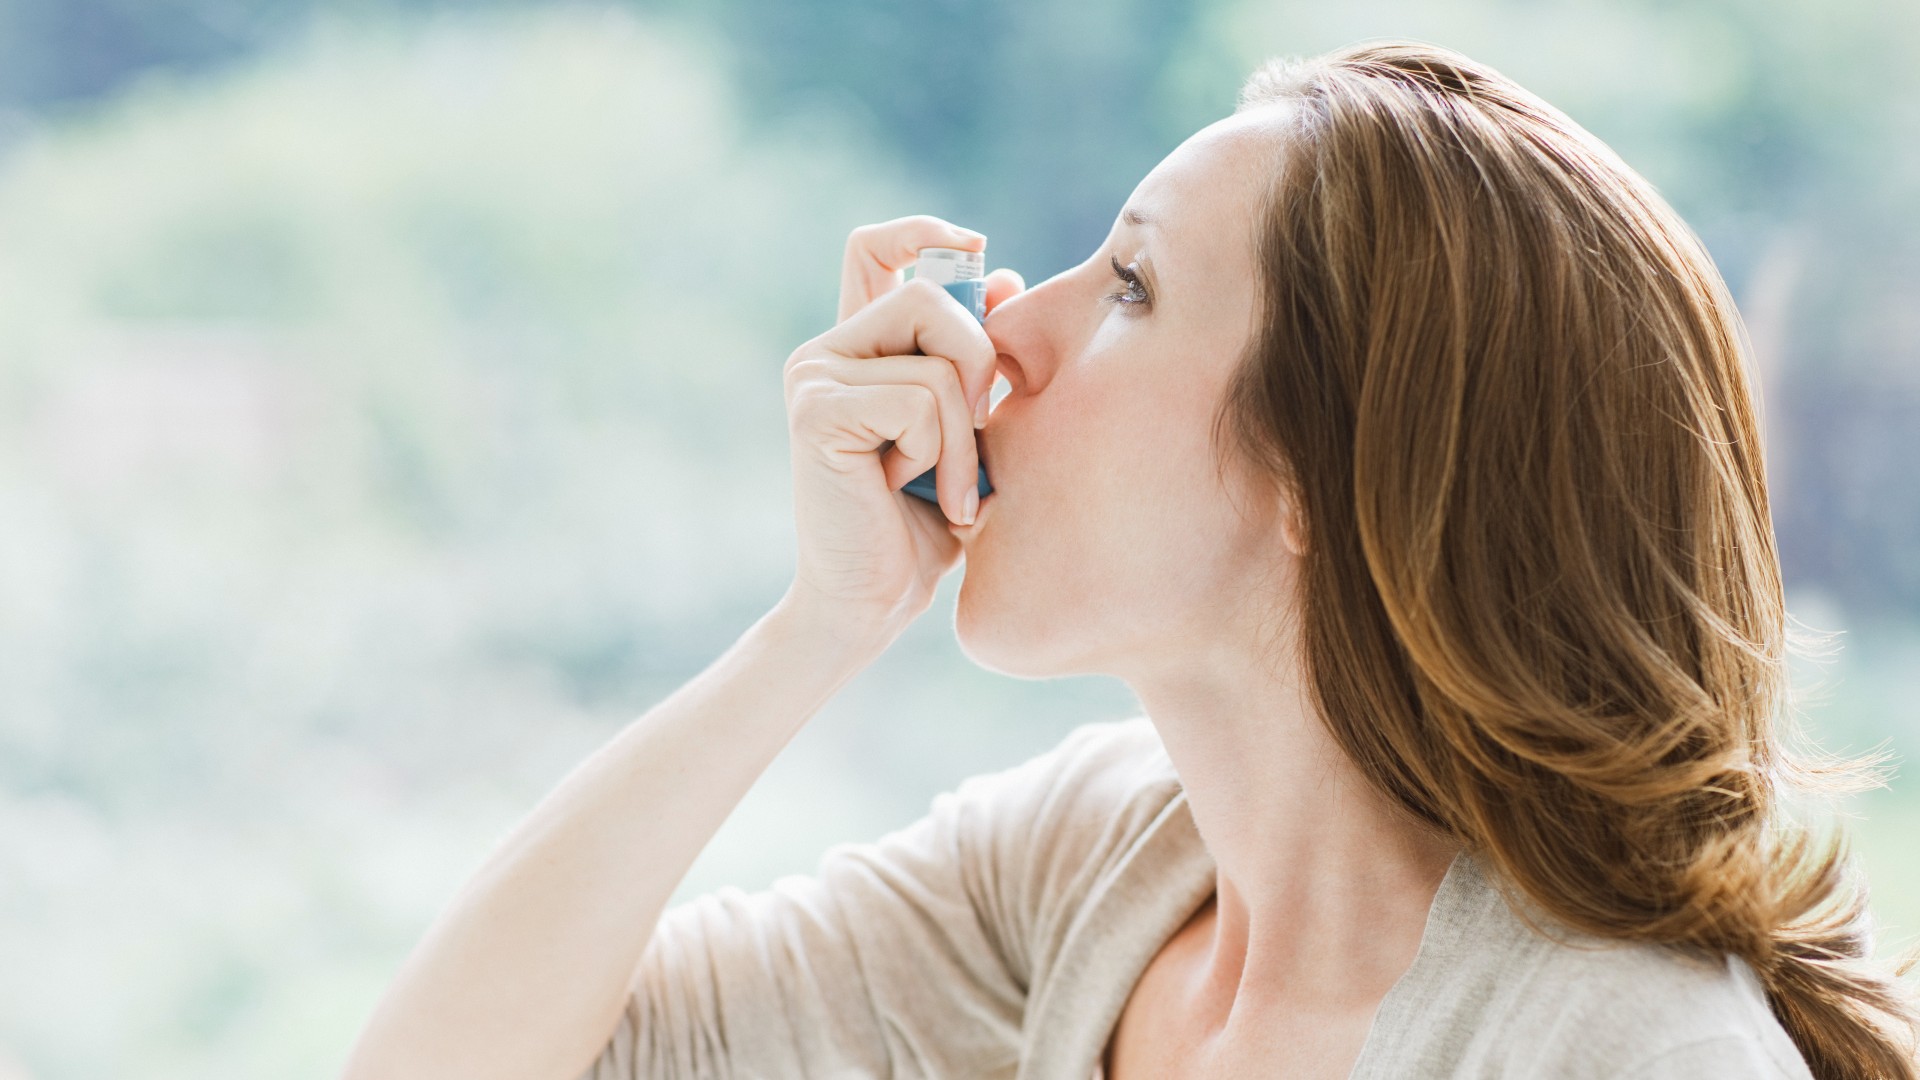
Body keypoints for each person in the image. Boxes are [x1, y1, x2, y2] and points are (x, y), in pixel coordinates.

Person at [339, 39, 1920, 1080]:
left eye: (1134, 289)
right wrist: (818, 627)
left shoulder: (1617, 1052)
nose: (1005, 331)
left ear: (1328, 473)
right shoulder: (1093, 864)